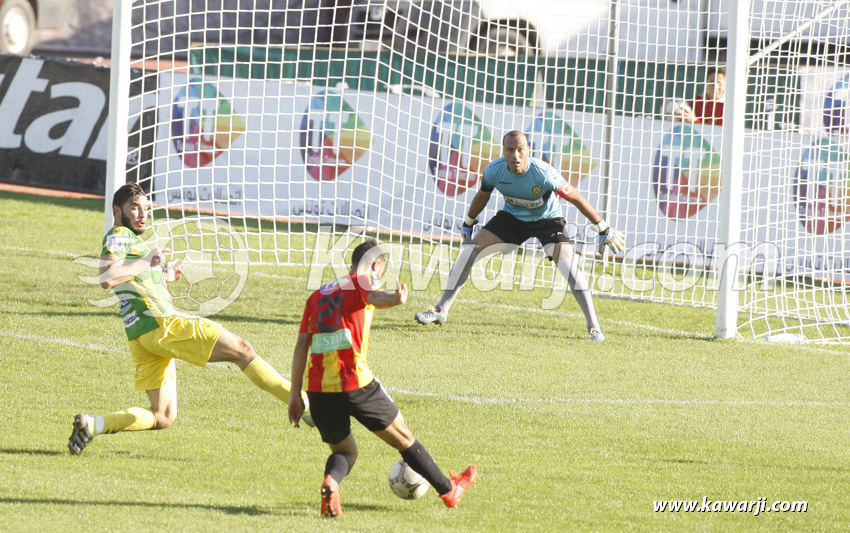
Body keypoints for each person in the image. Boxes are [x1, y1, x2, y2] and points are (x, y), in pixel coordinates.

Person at [68, 182, 312, 455]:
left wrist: (161, 275)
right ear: (117, 210)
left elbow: (130, 278)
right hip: (163, 326)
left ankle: (94, 424)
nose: (142, 214)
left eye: (146, 208)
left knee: (163, 416)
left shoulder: (131, 240)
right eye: (134, 207)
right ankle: (306, 405)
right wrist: (148, 261)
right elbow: (107, 277)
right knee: (243, 350)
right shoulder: (119, 234)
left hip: (142, 336)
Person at [288, 240, 477, 518]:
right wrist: (395, 299)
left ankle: (331, 482)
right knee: (404, 438)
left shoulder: (317, 295)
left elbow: (301, 345)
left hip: (318, 390)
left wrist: (295, 394)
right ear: (375, 265)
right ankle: (450, 490)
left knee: (345, 452)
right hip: (356, 383)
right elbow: (375, 297)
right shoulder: (363, 280)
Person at [414, 130, 625, 340]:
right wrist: (469, 223)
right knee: (468, 254)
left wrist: (603, 229)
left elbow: (577, 198)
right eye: (510, 150)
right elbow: (483, 195)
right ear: (504, 151)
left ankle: (594, 326)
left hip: (547, 221)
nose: (515, 155)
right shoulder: (494, 170)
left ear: (528, 151)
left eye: (520, 150)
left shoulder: (544, 174)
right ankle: (441, 311)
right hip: (512, 219)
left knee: (568, 266)